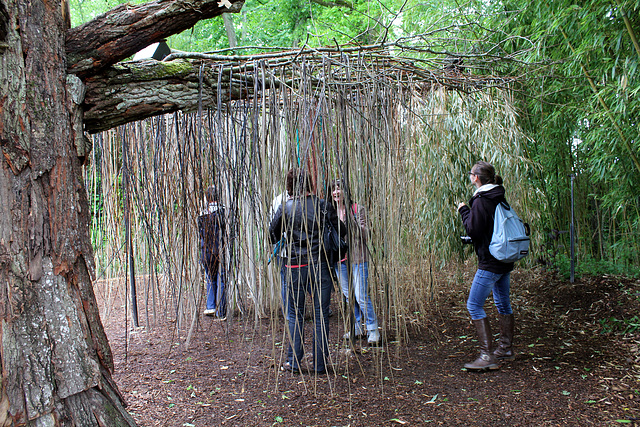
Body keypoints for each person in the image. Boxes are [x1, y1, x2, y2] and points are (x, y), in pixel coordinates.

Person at [269, 168, 342, 374]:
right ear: (309, 183)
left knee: (294, 315)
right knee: (320, 315)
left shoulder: (285, 208)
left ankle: (293, 361)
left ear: (290, 186)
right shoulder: (322, 206)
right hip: (320, 266)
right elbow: (341, 230)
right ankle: (319, 364)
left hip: (293, 266)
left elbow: (272, 234)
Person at [457, 161, 515, 371]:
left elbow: (474, 230)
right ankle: (506, 349)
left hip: (490, 262)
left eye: (471, 174)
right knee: (503, 304)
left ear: (477, 178)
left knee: (474, 305)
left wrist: (464, 210)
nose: (470, 177)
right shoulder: (499, 196)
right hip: (504, 260)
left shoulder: (481, 201)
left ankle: (486, 355)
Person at [331, 179, 380, 345]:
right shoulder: (330, 212)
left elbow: (366, 234)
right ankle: (357, 326)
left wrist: (351, 223)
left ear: (345, 191)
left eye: (339, 189)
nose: (336, 193)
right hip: (339, 260)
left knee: (361, 295)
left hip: (358, 258)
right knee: (349, 296)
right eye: (333, 190)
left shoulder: (357, 209)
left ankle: (373, 328)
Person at [198, 185, 227, 319]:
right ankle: (221, 310)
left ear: (206, 198)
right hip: (220, 250)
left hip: (206, 252)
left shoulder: (202, 215)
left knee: (210, 277)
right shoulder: (223, 212)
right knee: (221, 279)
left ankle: (211, 306)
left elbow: (201, 235)